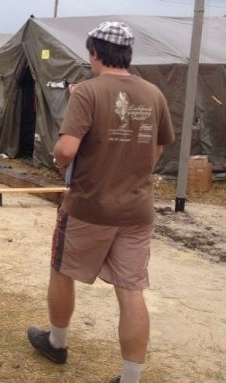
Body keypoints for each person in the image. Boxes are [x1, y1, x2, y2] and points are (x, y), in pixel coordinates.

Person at [26, 21, 175, 383]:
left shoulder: (87, 92)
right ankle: (130, 377)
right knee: (132, 290)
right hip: (137, 211)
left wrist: (60, 161)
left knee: (62, 271)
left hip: (89, 207)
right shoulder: (154, 93)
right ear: (127, 54)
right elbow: (158, 146)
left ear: (94, 52)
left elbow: (66, 149)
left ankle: (57, 343)